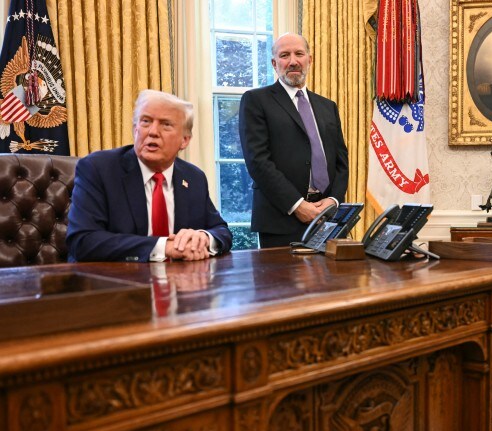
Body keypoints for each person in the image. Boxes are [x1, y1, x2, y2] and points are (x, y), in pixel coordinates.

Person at [67, 89, 232, 262]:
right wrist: (164, 247)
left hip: (179, 277)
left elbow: (221, 231)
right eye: (146, 121)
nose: (153, 131)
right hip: (112, 277)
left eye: (166, 124)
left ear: (184, 140)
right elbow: (83, 241)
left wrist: (203, 238)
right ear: (135, 129)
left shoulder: (193, 177)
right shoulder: (98, 169)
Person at [238, 33, 349, 248]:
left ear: (309, 59)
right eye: (284, 55)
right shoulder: (256, 100)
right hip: (281, 220)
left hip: (328, 219)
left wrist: (334, 200)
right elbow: (258, 161)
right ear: (274, 63)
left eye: (299, 54)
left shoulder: (328, 106)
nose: (293, 61)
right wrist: (297, 205)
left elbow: (341, 161)